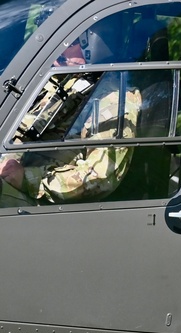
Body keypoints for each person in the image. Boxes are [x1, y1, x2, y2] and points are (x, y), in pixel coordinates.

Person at [0, 18, 140, 205]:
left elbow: (101, 176)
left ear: (93, 44)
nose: (58, 45)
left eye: (70, 40)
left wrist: (27, 178)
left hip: (42, 204)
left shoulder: (113, 95)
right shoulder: (54, 79)